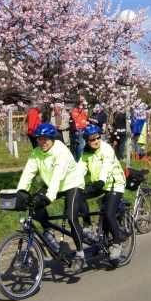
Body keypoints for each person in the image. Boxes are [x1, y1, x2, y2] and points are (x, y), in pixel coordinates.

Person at [16, 123, 87, 274]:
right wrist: (20, 192)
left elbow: (57, 176)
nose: (42, 142)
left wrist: (49, 197)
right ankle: (48, 231)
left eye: (45, 139)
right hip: (52, 183)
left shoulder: (61, 151)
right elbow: (28, 173)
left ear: (52, 139)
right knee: (35, 201)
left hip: (71, 183)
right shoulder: (36, 153)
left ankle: (80, 254)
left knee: (71, 217)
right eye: (39, 139)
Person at [78, 125, 126, 261]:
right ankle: (87, 225)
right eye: (92, 139)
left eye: (98, 137)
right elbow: (79, 169)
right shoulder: (85, 152)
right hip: (99, 183)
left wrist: (101, 180)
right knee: (79, 195)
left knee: (109, 214)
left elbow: (107, 167)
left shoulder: (107, 149)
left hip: (114, 184)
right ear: (87, 141)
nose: (96, 141)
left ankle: (117, 244)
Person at [70, 95, 89, 161]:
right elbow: (74, 118)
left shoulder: (84, 107)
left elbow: (86, 117)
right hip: (79, 128)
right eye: (81, 99)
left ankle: (75, 159)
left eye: (84, 99)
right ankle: (79, 160)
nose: (83, 100)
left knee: (81, 144)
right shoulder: (76, 107)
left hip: (84, 127)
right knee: (80, 145)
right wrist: (77, 128)